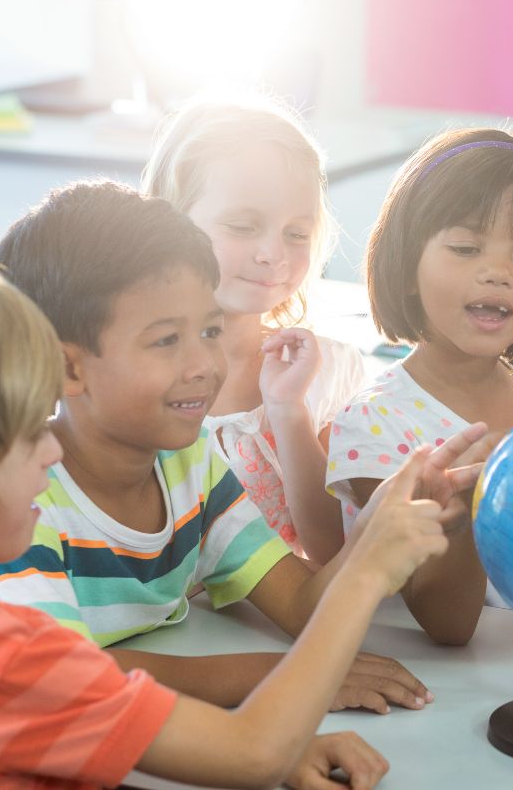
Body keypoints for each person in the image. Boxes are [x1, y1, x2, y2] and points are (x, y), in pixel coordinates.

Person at [0, 181, 487, 716]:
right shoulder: (19, 497)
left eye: (210, 331)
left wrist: (376, 529)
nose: (205, 365)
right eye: (166, 340)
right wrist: (276, 678)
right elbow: (58, 675)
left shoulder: (192, 466)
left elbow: (301, 604)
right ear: (68, 368)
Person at [0, 262, 433, 788]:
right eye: (25, 433)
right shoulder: (0, 656)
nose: (50, 449)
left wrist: (271, 745)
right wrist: (365, 574)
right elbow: (253, 754)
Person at [324, 128, 513, 644]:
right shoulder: (375, 425)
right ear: (405, 269)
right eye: (466, 248)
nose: (497, 273)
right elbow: (447, 624)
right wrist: (473, 503)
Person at [142, 95, 365, 559]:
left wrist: (288, 413)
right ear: (167, 221)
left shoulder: (325, 373)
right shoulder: (129, 368)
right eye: (243, 226)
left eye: (297, 233)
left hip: (280, 626)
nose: (273, 254)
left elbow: (330, 550)